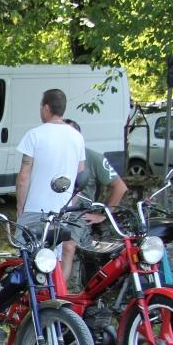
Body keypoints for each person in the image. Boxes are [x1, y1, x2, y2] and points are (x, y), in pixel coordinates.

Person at [60, 118, 129, 282]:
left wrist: (104, 214)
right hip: (52, 210)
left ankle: (58, 293)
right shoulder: (53, 155)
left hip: (77, 213)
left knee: (68, 246)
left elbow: (120, 187)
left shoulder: (93, 157)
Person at [15, 88, 85, 226]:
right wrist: (69, 205)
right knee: (56, 240)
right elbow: (80, 178)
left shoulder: (34, 135)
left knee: (27, 240)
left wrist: (20, 206)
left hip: (35, 208)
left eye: (41, 107)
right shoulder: (78, 137)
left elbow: (23, 177)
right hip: (62, 210)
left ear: (46, 108)